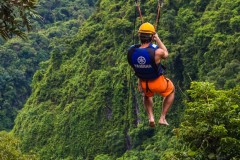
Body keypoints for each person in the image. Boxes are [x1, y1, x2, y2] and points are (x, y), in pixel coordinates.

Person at [127, 22, 175, 127]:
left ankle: (151, 117)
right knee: (171, 90)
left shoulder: (131, 52)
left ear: (139, 36)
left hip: (144, 83)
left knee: (146, 95)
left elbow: (137, 68)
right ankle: (162, 117)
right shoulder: (156, 52)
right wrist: (157, 39)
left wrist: (139, 82)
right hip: (158, 82)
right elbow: (166, 53)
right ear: (151, 36)